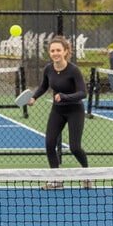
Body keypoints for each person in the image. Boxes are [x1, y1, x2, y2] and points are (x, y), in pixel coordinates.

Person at [28, 35, 90, 190]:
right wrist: (34, 98)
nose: (55, 53)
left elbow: (83, 93)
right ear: (49, 52)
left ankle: (88, 174)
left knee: (75, 148)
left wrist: (64, 96)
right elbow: (43, 86)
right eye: (52, 50)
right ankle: (56, 180)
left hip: (75, 110)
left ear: (65, 51)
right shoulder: (48, 68)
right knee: (49, 144)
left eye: (58, 50)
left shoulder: (73, 70)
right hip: (58, 111)